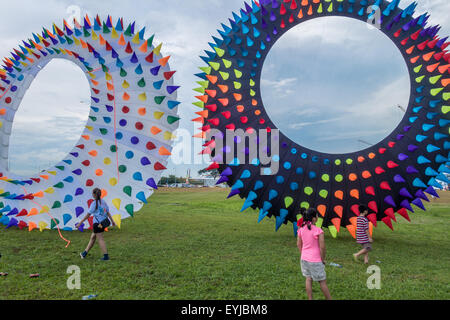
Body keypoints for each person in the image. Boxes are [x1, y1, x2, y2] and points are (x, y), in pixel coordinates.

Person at [297, 208, 332, 300]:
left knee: (308, 278)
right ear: (313, 218)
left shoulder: (301, 229)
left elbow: (298, 244)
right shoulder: (318, 230)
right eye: (317, 215)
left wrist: (303, 254)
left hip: (304, 259)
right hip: (315, 260)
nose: (317, 217)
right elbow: (322, 247)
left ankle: (310, 299)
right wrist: (323, 259)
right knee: (322, 282)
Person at [75, 188, 116, 261]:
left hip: (97, 224)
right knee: (93, 237)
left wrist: (80, 223)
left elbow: (88, 215)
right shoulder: (103, 202)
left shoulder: (94, 204)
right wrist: (112, 221)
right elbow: (107, 212)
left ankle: (106, 257)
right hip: (103, 224)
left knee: (100, 239)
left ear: (94, 195)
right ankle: (84, 253)